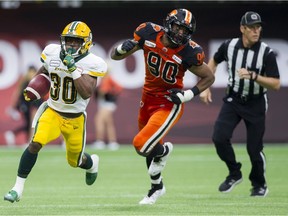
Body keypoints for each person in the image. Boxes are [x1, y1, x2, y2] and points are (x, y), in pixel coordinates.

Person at [111, 8, 214, 204]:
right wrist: (121, 50)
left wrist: (188, 94)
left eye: (185, 31)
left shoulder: (190, 51)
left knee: (141, 144)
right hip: (147, 98)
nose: (180, 33)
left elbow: (208, 76)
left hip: (169, 102)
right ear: (168, 23)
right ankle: (156, 187)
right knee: (150, 147)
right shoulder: (148, 32)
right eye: (178, 27)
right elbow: (115, 56)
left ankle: (164, 152)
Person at [4, 21, 107, 203]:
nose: (71, 45)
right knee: (35, 143)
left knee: (75, 161)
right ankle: (17, 188)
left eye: (76, 41)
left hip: (75, 118)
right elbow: (44, 71)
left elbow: (86, 92)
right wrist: (34, 87)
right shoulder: (52, 52)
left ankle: (92, 164)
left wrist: (73, 69)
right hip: (53, 111)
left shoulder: (94, 63)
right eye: (68, 40)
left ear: (86, 43)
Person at [200, 11, 280, 197]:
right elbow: (214, 60)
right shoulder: (230, 46)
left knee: (254, 148)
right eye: (251, 27)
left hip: (256, 102)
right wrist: (205, 86)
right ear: (242, 28)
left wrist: (254, 76)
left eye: (258, 27)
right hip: (234, 99)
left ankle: (259, 184)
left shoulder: (266, 52)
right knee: (219, 137)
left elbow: (275, 84)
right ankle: (234, 173)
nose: (256, 31)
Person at [5, 66, 43, 147]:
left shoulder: (37, 80)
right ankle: (27, 140)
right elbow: (18, 94)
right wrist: (15, 107)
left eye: (33, 72)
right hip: (27, 105)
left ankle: (15, 134)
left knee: (32, 123)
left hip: (35, 103)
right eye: (31, 72)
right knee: (30, 123)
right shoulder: (25, 82)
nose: (31, 74)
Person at [92, 72, 123, 150]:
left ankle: (100, 141)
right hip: (105, 104)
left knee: (98, 120)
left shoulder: (107, 79)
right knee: (108, 123)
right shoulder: (103, 79)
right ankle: (113, 142)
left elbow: (105, 90)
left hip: (107, 104)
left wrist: (110, 93)